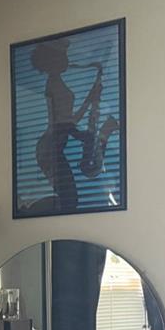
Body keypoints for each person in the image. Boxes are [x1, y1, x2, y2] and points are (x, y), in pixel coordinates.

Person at [28, 38, 119, 213]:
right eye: (64, 56)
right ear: (54, 61)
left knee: (69, 200)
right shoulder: (54, 85)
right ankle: (30, 208)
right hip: (49, 149)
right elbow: (64, 124)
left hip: (52, 147)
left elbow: (69, 120)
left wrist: (91, 97)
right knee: (69, 200)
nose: (67, 60)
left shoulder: (56, 83)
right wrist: (85, 135)